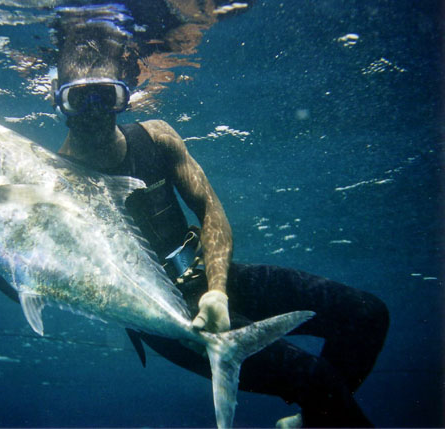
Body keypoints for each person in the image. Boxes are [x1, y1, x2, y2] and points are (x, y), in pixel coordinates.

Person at [48, 5, 389, 427]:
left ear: (126, 94)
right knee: (314, 378)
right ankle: (318, 411)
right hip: (167, 316)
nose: (96, 110)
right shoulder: (53, 183)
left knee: (367, 314)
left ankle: (308, 423)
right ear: (57, 99)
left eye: (107, 95)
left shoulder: (157, 137)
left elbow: (210, 209)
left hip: (213, 281)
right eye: (80, 98)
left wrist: (218, 291)